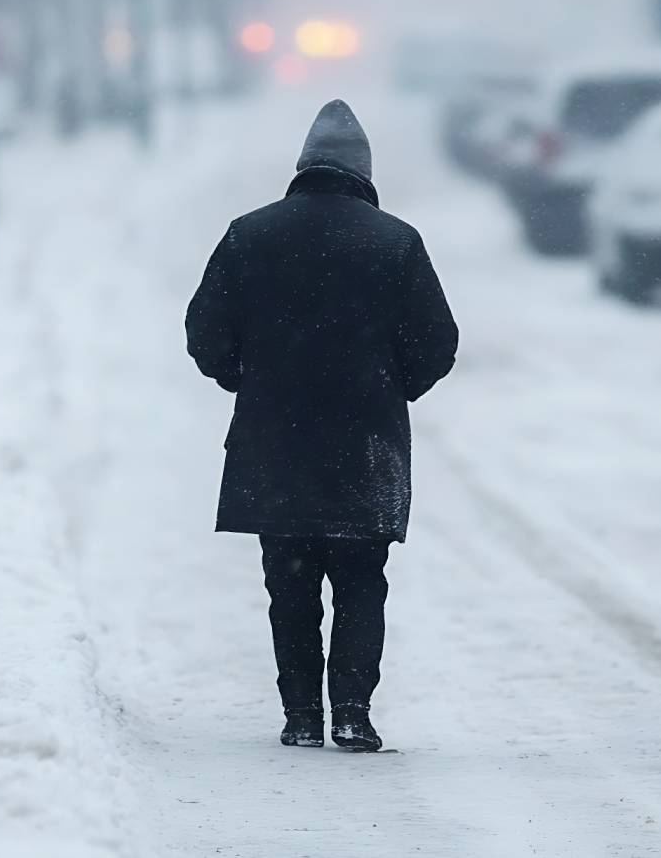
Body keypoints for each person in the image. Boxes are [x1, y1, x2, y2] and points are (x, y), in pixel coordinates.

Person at [185, 99, 459, 752]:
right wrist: (394, 388)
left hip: (274, 440)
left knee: (290, 581)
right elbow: (438, 342)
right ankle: (354, 713)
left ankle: (302, 714)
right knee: (363, 581)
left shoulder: (249, 235)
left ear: (303, 168)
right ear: (363, 172)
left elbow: (204, 332)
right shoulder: (397, 242)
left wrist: (241, 378)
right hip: (367, 446)